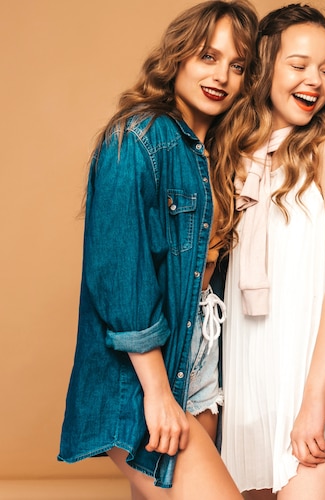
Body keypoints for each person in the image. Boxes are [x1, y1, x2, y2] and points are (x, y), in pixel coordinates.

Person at [57, 2, 258, 498]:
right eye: (208, 57)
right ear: (179, 57)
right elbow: (120, 280)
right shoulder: (139, 138)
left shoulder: (218, 152)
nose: (221, 77)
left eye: (237, 66)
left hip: (201, 369)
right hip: (149, 377)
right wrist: (158, 392)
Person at [213, 4, 325, 499]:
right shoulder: (236, 151)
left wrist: (314, 400)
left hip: (315, 377)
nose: (315, 81)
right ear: (264, 68)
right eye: (298, 65)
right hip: (250, 373)